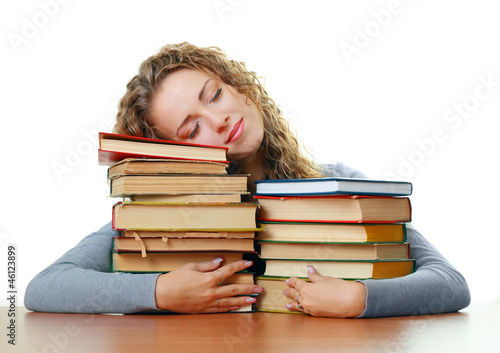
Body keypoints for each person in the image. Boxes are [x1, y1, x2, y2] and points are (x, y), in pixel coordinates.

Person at [25, 42, 471, 317]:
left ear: (240, 87)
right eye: (191, 128)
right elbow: (45, 287)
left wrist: (360, 300)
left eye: (214, 94)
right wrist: (159, 291)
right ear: (175, 152)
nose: (218, 119)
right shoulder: (160, 217)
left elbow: (449, 284)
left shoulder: (340, 188)